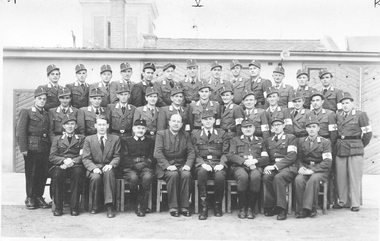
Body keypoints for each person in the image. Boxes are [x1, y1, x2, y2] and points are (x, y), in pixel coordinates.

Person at [334, 92, 372, 212]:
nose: (345, 105)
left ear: (352, 103)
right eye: (343, 103)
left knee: (355, 176)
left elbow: (367, 134)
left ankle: (355, 203)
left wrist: (359, 145)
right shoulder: (338, 115)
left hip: (355, 148)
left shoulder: (361, 115)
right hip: (341, 148)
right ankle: (343, 201)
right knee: (341, 177)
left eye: (347, 103)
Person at [16, 87, 51, 209]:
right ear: (35, 99)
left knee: (42, 173)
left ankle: (39, 196)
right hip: (31, 147)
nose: (42, 101)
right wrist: (23, 148)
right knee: (31, 173)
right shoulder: (26, 112)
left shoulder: (46, 114)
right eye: (40, 99)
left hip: (44, 147)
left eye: (44, 99)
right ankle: (30, 197)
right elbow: (20, 131)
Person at [226, 119, 269, 219]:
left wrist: (255, 161)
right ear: (242, 129)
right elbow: (231, 155)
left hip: (255, 166)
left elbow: (266, 158)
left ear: (254, 128)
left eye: (250, 127)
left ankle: (250, 208)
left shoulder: (260, 141)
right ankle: (242, 208)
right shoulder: (235, 140)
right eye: (245, 127)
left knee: (256, 176)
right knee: (243, 176)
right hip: (239, 166)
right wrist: (244, 161)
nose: (248, 129)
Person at [154, 114, 195, 217]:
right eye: (174, 121)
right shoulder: (161, 134)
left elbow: (191, 152)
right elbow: (157, 153)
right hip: (165, 166)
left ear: (181, 124)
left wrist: (188, 165)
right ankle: (173, 206)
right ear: (169, 123)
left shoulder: (185, 135)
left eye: (178, 122)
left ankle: (184, 206)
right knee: (173, 175)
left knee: (186, 174)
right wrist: (167, 165)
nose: (176, 124)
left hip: (181, 165)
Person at [192, 109, 229, 220]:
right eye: (205, 119)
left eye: (210, 119)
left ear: (214, 120)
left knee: (219, 176)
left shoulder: (222, 133)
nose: (208, 121)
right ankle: (204, 206)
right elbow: (193, 152)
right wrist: (202, 163)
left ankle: (217, 205)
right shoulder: (195, 134)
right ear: (201, 121)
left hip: (217, 162)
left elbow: (226, 152)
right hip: (202, 163)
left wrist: (222, 164)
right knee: (202, 174)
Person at [82, 115, 121, 218]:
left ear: (107, 126)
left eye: (104, 124)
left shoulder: (115, 139)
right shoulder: (89, 139)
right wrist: (93, 168)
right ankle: (95, 205)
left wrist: (111, 165)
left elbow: (117, 156)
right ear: (95, 126)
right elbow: (86, 158)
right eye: (99, 125)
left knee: (108, 174)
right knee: (95, 177)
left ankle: (109, 206)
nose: (102, 127)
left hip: (108, 166)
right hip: (94, 166)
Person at [294, 117, 332, 218]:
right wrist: (301, 167)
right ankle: (301, 209)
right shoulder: (301, 141)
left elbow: (327, 161)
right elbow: (297, 158)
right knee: (298, 179)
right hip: (306, 168)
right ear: (306, 129)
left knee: (313, 179)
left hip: (320, 170)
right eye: (309, 127)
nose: (311, 129)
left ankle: (310, 209)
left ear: (318, 128)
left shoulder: (325, 142)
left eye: (314, 127)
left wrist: (313, 170)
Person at [262, 117, 297, 221]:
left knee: (278, 178)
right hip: (273, 167)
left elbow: (292, 156)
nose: (276, 127)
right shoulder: (268, 141)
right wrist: (265, 167)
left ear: (283, 126)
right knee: (266, 177)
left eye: (278, 125)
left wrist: (275, 166)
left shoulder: (291, 138)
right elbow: (265, 157)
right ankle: (272, 205)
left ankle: (282, 208)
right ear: (271, 128)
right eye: (274, 125)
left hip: (288, 167)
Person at [49, 116, 85, 216]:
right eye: (67, 124)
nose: (70, 126)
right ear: (63, 126)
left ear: (76, 126)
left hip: (75, 165)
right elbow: (52, 156)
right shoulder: (57, 139)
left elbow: (83, 155)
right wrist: (64, 161)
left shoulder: (81, 138)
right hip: (61, 165)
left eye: (72, 124)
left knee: (78, 174)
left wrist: (72, 162)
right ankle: (58, 207)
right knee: (56, 175)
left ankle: (74, 207)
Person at [121, 119, 155, 217]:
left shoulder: (150, 141)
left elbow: (152, 156)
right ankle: (135, 202)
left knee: (147, 177)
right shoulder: (126, 141)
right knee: (133, 178)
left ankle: (141, 205)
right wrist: (133, 165)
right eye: (138, 128)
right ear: (133, 129)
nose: (140, 130)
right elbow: (124, 157)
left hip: (145, 167)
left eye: (143, 128)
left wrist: (143, 164)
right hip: (130, 167)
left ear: (146, 130)